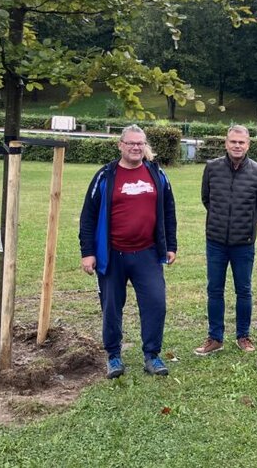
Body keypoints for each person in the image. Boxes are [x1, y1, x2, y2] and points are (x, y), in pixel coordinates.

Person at [79, 125, 177, 378]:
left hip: (147, 253)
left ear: (145, 146)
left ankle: (152, 356)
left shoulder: (157, 174)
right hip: (113, 255)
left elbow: (168, 211)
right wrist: (88, 252)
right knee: (111, 307)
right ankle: (113, 356)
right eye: (131, 143)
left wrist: (171, 246)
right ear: (120, 145)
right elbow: (88, 216)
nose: (136, 147)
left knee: (156, 303)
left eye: (140, 143)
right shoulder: (105, 175)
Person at [195, 125, 257, 356]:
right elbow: (206, 199)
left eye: (242, 142)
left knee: (244, 290)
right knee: (214, 290)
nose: (237, 146)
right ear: (226, 143)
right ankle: (215, 337)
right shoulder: (212, 168)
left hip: (244, 243)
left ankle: (243, 336)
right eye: (233, 142)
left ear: (248, 144)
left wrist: (245, 223)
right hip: (216, 241)